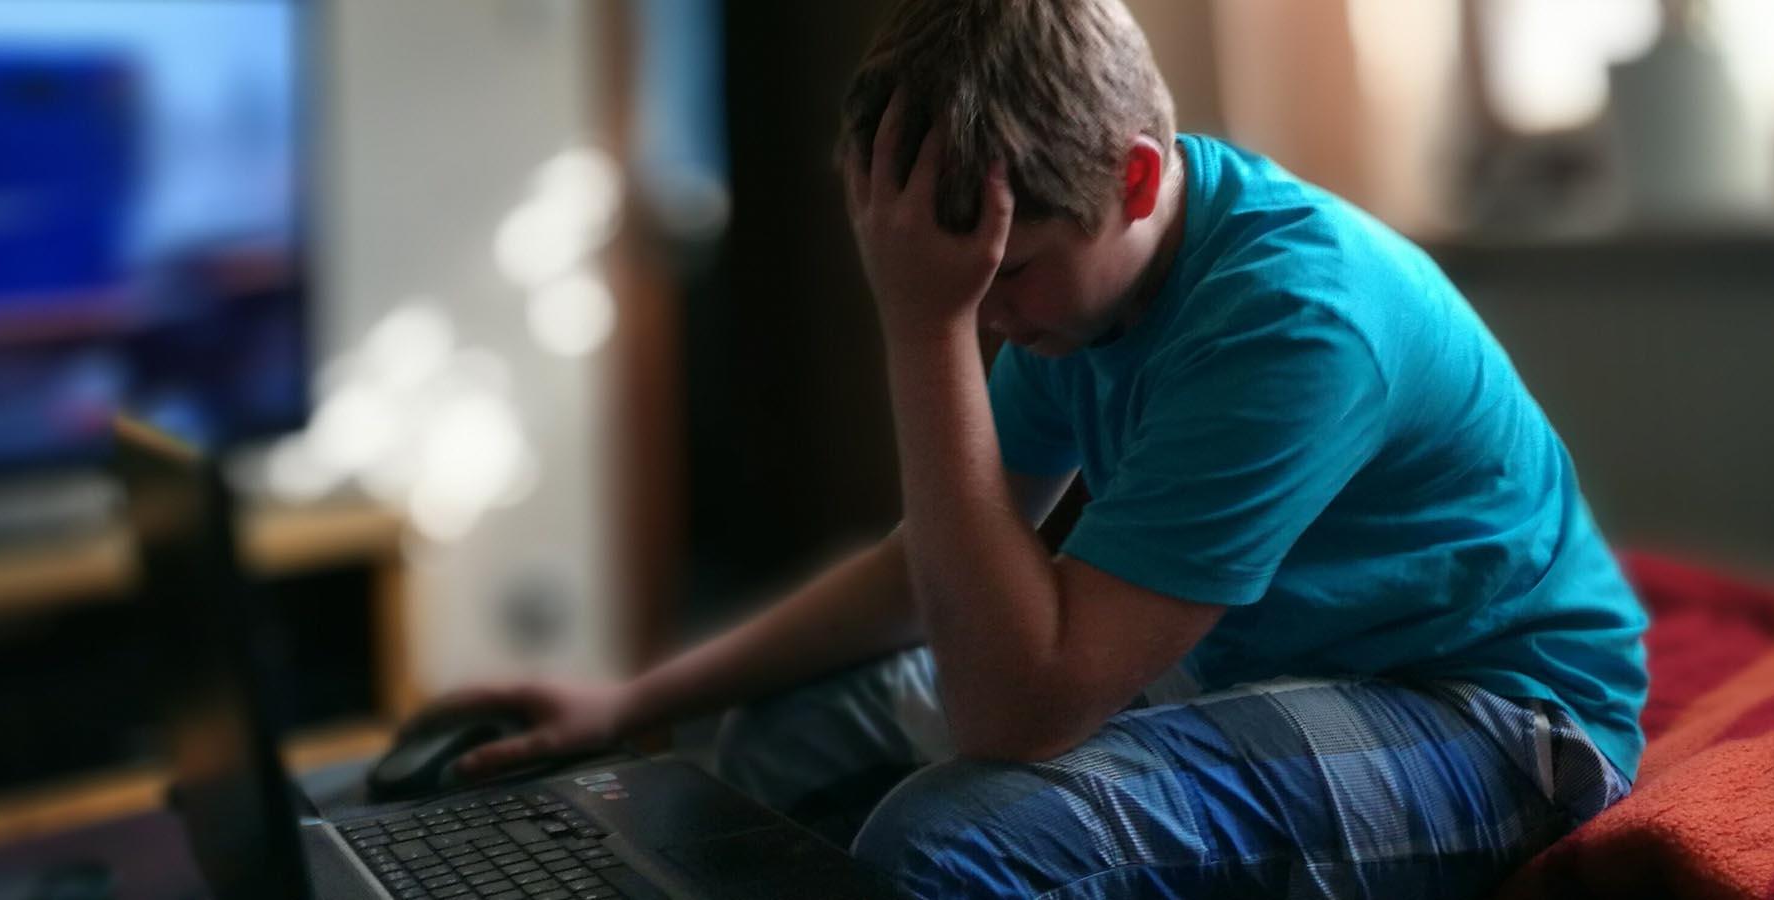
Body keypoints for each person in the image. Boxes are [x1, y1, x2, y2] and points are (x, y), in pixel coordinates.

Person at [424, 0, 1646, 895]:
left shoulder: (1290, 323)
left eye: (1004, 280)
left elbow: (1017, 711)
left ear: (1137, 177)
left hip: (1495, 716)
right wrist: (630, 700)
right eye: (961, 290)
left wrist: (924, 327)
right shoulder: (1096, 285)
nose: (992, 318)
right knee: (781, 738)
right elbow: (929, 569)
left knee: (954, 837)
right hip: (1262, 658)